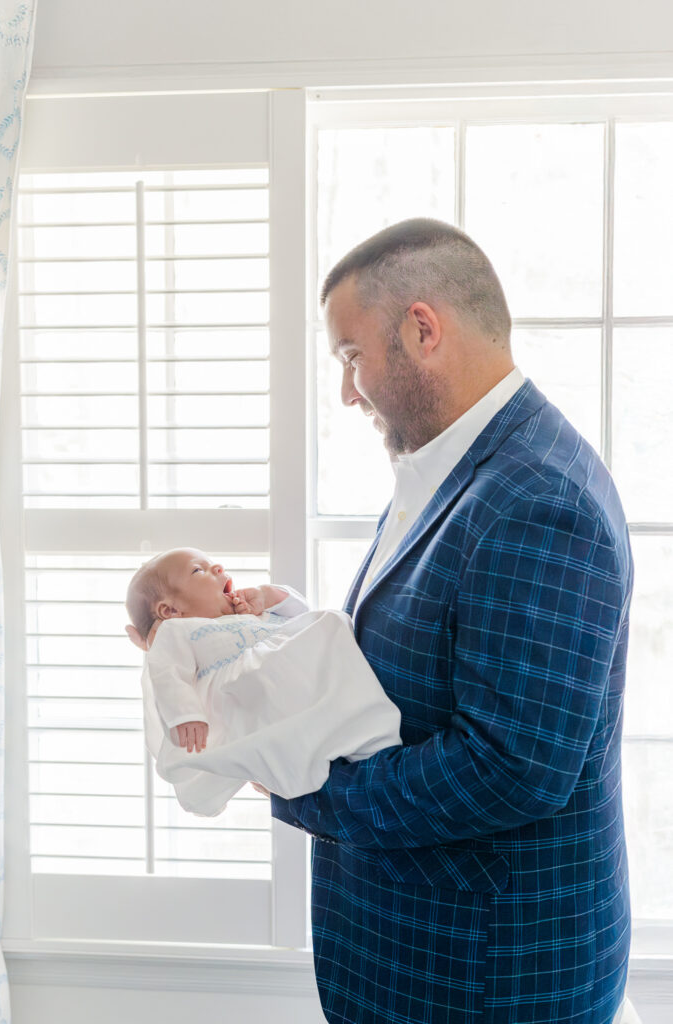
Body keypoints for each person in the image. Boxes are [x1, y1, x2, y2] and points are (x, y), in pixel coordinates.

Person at [270, 218, 634, 1024]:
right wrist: (287, 635)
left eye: (350, 357)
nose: (344, 390)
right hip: (427, 956)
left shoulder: (538, 498)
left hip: (484, 979)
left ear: (421, 329)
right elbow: (423, 656)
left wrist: (301, 784)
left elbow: (509, 767)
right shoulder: (453, 464)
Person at [125, 548, 401, 816]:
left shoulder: (249, 611)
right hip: (248, 693)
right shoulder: (178, 630)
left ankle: (361, 732)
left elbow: (301, 613)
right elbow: (167, 672)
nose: (218, 568)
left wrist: (266, 596)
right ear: (170, 610)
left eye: (214, 564)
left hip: (290, 680)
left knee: (329, 622)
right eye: (199, 570)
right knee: (272, 726)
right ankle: (315, 765)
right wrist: (185, 713)